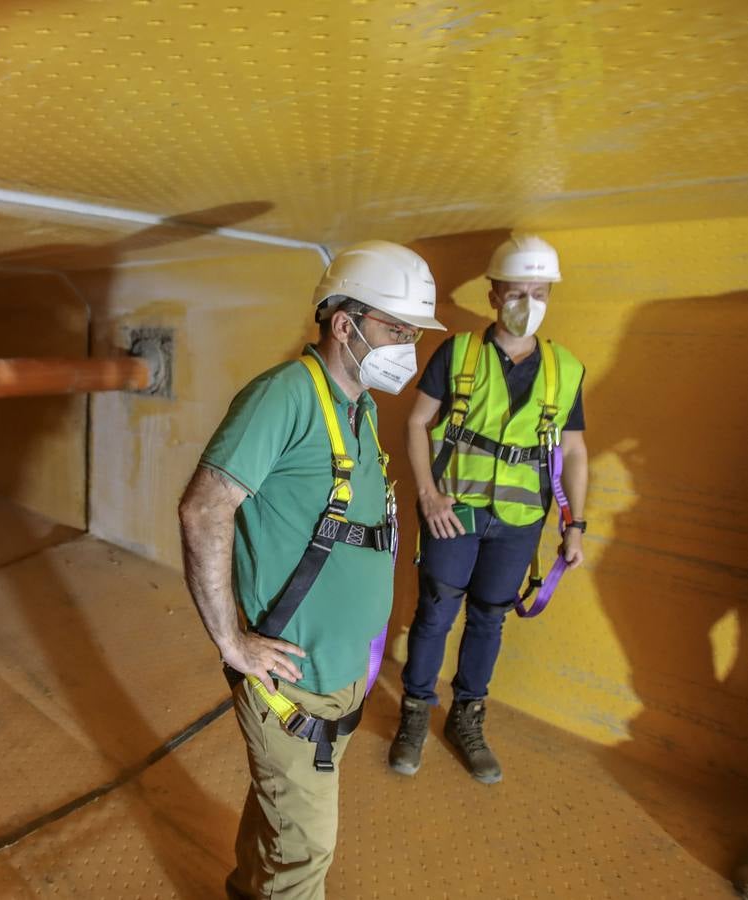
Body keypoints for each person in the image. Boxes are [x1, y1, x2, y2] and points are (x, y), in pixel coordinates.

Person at [179, 241, 445, 899]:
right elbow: (203, 509)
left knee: (283, 819)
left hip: (337, 678)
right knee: (306, 855)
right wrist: (229, 641)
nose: (407, 349)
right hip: (291, 686)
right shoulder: (285, 396)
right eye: (395, 330)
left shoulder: (354, 407)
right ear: (345, 325)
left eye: (413, 333)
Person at [388, 234, 589, 784]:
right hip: (455, 511)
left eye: (540, 291)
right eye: (517, 291)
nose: (529, 302)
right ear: (494, 294)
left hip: (521, 521)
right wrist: (428, 495)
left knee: (489, 619)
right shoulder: (458, 353)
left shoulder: (564, 369)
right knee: (434, 612)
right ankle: (414, 715)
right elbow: (414, 423)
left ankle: (466, 719)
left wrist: (575, 527)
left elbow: (572, 449)